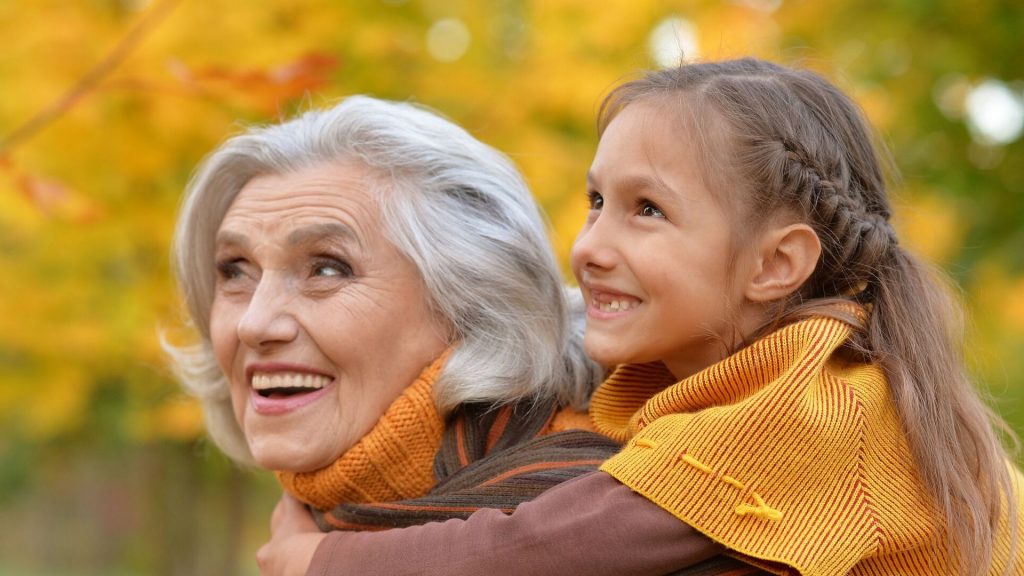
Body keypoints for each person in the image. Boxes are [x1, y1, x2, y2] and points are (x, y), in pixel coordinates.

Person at [263, 58, 1024, 576]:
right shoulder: (727, 384)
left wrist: (322, 561)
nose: (589, 246)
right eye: (597, 202)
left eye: (647, 210)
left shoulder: (817, 407)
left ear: (775, 265)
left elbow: (537, 550)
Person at [165, 96, 725, 575]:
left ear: (471, 303)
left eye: (327, 268)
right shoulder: (316, 521)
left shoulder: (623, 518)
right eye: (234, 271)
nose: (255, 323)